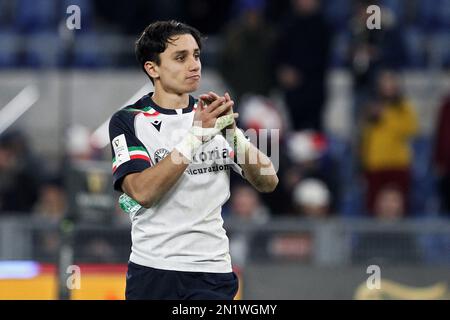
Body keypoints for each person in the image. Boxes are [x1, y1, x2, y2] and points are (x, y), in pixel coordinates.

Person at [108, 20, 278, 300]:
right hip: (153, 270)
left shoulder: (214, 115)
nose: (194, 64)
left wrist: (233, 135)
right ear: (153, 68)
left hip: (213, 271)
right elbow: (143, 192)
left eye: (196, 55)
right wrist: (195, 137)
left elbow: (269, 181)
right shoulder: (129, 121)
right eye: (180, 57)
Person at [359, 70, 418, 215]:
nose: (387, 86)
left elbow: (411, 128)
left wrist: (385, 117)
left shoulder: (403, 107)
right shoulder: (371, 107)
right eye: (384, 83)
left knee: (399, 207)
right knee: (373, 207)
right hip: (374, 166)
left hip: (397, 164)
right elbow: (365, 138)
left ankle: (401, 237)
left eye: (390, 82)